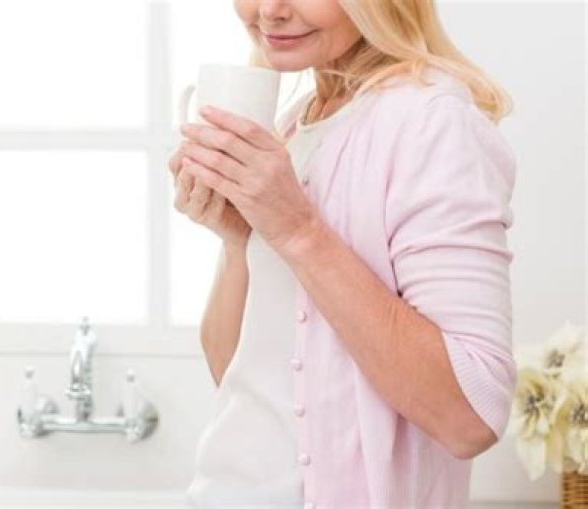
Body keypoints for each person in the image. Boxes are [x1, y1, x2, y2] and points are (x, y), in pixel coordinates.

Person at [167, 0, 518, 507]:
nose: (269, 11)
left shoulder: (432, 121)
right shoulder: (295, 123)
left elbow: (470, 418)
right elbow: (234, 376)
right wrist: (239, 241)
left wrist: (298, 230)